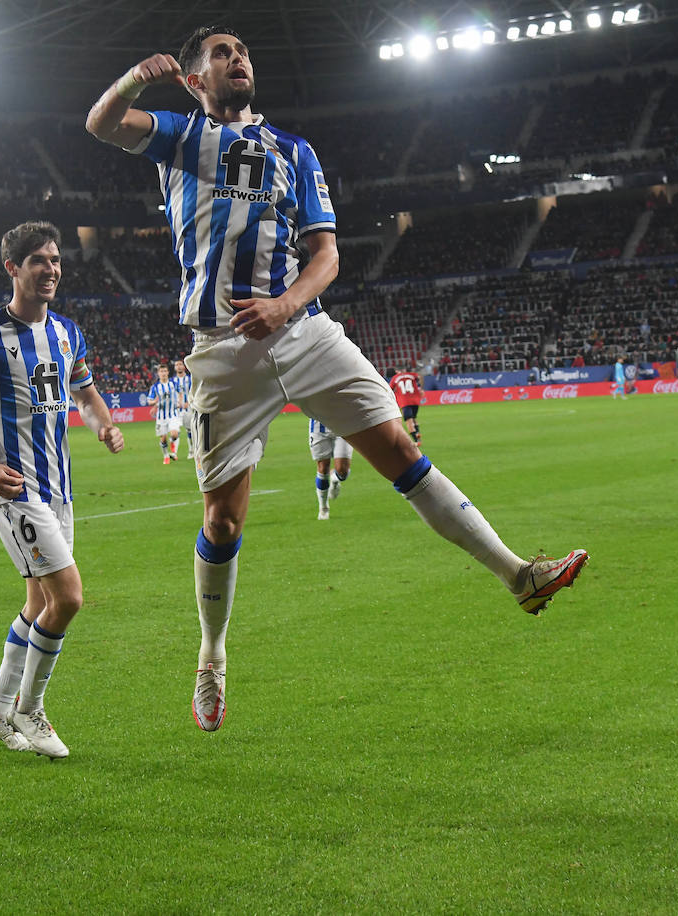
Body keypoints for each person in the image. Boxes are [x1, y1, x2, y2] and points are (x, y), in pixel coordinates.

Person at [87, 24, 588, 733]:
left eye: (244, 49)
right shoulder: (177, 136)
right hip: (224, 351)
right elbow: (101, 122)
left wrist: (288, 303)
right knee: (224, 518)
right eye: (223, 54)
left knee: (400, 449)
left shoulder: (296, 152)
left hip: (305, 328)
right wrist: (137, 77)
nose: (239, 58)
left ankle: (519, 576)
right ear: (195, 81)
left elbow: (325, 254)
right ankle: (211, 656)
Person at [0, 220, 125, 759]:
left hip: (60, 488)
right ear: (12, 268)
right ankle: (29, 710)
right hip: (15, 491)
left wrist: (103, 425)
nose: (52, 269)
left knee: (38, 600)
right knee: (68, 598)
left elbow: (85, 394)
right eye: (39, 260)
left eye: (56, 260)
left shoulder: (66, 332)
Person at [308, 418, 351, 521]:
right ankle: (323, 508)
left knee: (342, 471)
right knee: (323, 468)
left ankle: (334, 477)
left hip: (343, 426)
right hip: (319, 427)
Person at [144, 363, 182, 464]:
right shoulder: (155, 387)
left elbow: (180, 392)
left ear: (168, 373)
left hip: (173, 413)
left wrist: (180, 402)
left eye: (165, 371)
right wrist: (155, 402)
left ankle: (173, 444)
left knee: (174, 434)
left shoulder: (173, 383)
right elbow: (149, 400)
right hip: (161, 416)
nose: (163, 373)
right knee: (163, 439)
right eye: (161, 371)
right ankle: (166, 456)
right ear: (158, 373)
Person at [389, 367, 425, 444]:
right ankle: (417, 432)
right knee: (413, 418)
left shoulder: (395, 378)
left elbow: (390, 389)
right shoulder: (411, 375)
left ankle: (416, 441)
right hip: (415, 400)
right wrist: (421, 388)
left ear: (396, 371)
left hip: (404, 401)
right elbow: (420, 376)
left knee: (409, 421)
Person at [172, 358, 193, 460]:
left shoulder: (190, 379)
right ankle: (174, 453)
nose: (179, 366)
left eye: (180, 364)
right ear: (175, 368)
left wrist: (188, 402)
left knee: (190, 431)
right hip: (177, 410)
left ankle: (191, 451)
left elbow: (195, 392)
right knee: (175, 431)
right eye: (177, 365)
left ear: (184, 366)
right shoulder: (172, 381)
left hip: (189, 409)